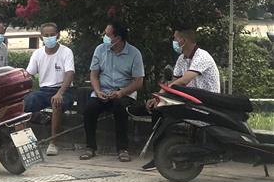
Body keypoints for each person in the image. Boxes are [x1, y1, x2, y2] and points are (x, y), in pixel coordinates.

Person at [141, 28, 221, 170]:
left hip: (206, 103)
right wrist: (159, 97)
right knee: (159, 109)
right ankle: (159, 155)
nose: (174, 41)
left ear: (183, 40)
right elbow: (173, 82)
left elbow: (183, 81)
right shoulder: (182, 59)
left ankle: (165, 155)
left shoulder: (202, 56)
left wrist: (163, 93)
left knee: (167, 113)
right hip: (192, 100)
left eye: (175, 38)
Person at [80, 21, 144, 162]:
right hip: (103, 91)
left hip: (124, 92)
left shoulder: (134, 53)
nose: (105, 37)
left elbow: (138, 81)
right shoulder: (100, 49)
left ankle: (123, 149)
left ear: (118, 38)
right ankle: (90, 147)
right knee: (89, 109)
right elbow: (94, 75)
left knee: (120, 108)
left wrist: (121, 93)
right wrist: (98, 91)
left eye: (108, 35)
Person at [23, 23, 75, 156]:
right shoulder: (37, 53)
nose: (49, 37)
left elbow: (70, 74)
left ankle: (53, 143)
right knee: (24, 103)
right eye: (46, 35)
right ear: (41, 37)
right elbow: (29, 74)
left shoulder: (66, 52)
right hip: (44, 90)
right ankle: (25, 143)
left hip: (64, 90)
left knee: (56, 102)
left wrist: (60, 93)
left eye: (52, 35)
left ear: (57, 35)